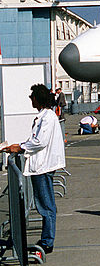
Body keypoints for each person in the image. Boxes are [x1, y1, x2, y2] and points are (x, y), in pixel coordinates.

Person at [1, 84, 66, 254]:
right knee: (45, 204)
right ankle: (46, 239)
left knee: (46, 206)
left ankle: (47, 242)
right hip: (41, 165)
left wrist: (20, 147)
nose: (31, 99)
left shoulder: (47, 118)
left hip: (43, 166)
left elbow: (39, 141)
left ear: (37, 98)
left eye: (32, 97)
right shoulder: (45, 116)